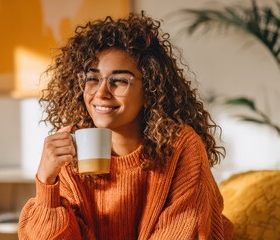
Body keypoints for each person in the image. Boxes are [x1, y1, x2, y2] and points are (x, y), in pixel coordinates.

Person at [18, 12, 234, 240]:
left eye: (119, 81)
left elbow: (182, 232)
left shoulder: (181, 146)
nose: (101, 93)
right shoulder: (72, 151)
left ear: (151, 91)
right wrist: (47, 182)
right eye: (92, 79)